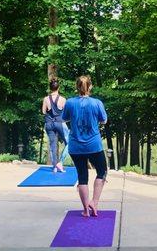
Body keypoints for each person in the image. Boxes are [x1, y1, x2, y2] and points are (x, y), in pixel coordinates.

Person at [62, 75, 108, 217]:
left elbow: (64, 118)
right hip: (94, 145)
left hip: (76, 147)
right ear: (90, 87)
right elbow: (104, 120)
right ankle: (94, 202)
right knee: (102, 171)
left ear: (77, 87)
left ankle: (85, 210)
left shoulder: (70, 102)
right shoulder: (97, 103)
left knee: (82, 176)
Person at [41, 78, 69, 173]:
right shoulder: (63, 99)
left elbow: (43, 111)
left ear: (50, 88)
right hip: (60, 123)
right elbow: (66, 113)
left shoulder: (45, 99)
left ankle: (55, 167)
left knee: (52, 145)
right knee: (69, 143)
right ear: (59, 87)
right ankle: (60, 162)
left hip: (49, 124)